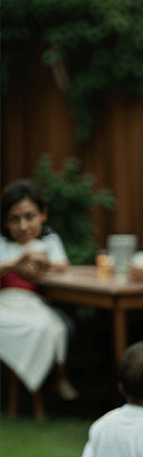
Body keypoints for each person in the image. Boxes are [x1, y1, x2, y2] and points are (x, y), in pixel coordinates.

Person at [0, 179, 78, 419]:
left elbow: (63, 266)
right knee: (40, 328)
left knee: (50, 327)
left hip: (34, 303)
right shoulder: (3, 244)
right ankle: (54, 377)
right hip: (6, 303)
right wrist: (17, 263)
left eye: (30, 216)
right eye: (15, 219)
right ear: (6, 221)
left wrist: (45, 265)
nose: (23, 226)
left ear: (43, 215)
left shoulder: (49, 242)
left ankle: (57, 376)